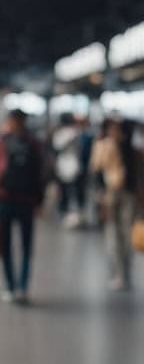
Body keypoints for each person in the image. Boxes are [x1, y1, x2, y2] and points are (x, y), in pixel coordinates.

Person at [0, 109, 47, 304]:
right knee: (26, 246)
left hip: (4, 199)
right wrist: (40, 201)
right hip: (25, 200)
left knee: (6, 246)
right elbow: (40, 174)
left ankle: (10, 286)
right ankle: (22, 287)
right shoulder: (33, 143)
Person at [89, 119, 144, 290]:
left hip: (128, 194)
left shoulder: (131, 149)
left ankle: (125, 271)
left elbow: (137, 172)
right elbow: (97, 169)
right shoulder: (104, 146)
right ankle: (118, 271)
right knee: (113, 233)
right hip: (110, 193)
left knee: (127, 232)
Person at [52, 112, 83, 228]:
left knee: (74, 192)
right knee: (64, 192)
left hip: (73, 164)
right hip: (63, 165)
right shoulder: (61, 133)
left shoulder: (75, 132)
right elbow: (57, 146)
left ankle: (75, 216)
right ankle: (64, 214)